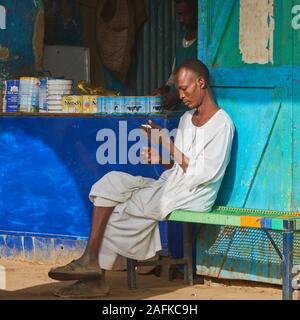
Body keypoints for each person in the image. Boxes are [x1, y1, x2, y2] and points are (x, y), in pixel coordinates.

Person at [48, 59, 235, 298]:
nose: (180, 95)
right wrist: (161, 157)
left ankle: (94, 272)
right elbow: (179, 164)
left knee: (122, 209)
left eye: (184, 88)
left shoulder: (222, 125)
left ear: (201, 82)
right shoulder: (188, 118)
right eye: (178, 89)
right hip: (172, 183)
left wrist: (166, 143)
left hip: (194, 194)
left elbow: (204, 174)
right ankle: (91, 261)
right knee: (111, 182)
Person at [152, 0, 198, 111]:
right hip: (179, 108)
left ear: (196, 12)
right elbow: (174, 74)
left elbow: (201, 80)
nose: (181, 19)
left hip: (193, 107)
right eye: (179, 14)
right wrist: (165, 88)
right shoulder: (182, 35)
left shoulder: (203, 42)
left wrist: (177, 96)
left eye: (185, 14)